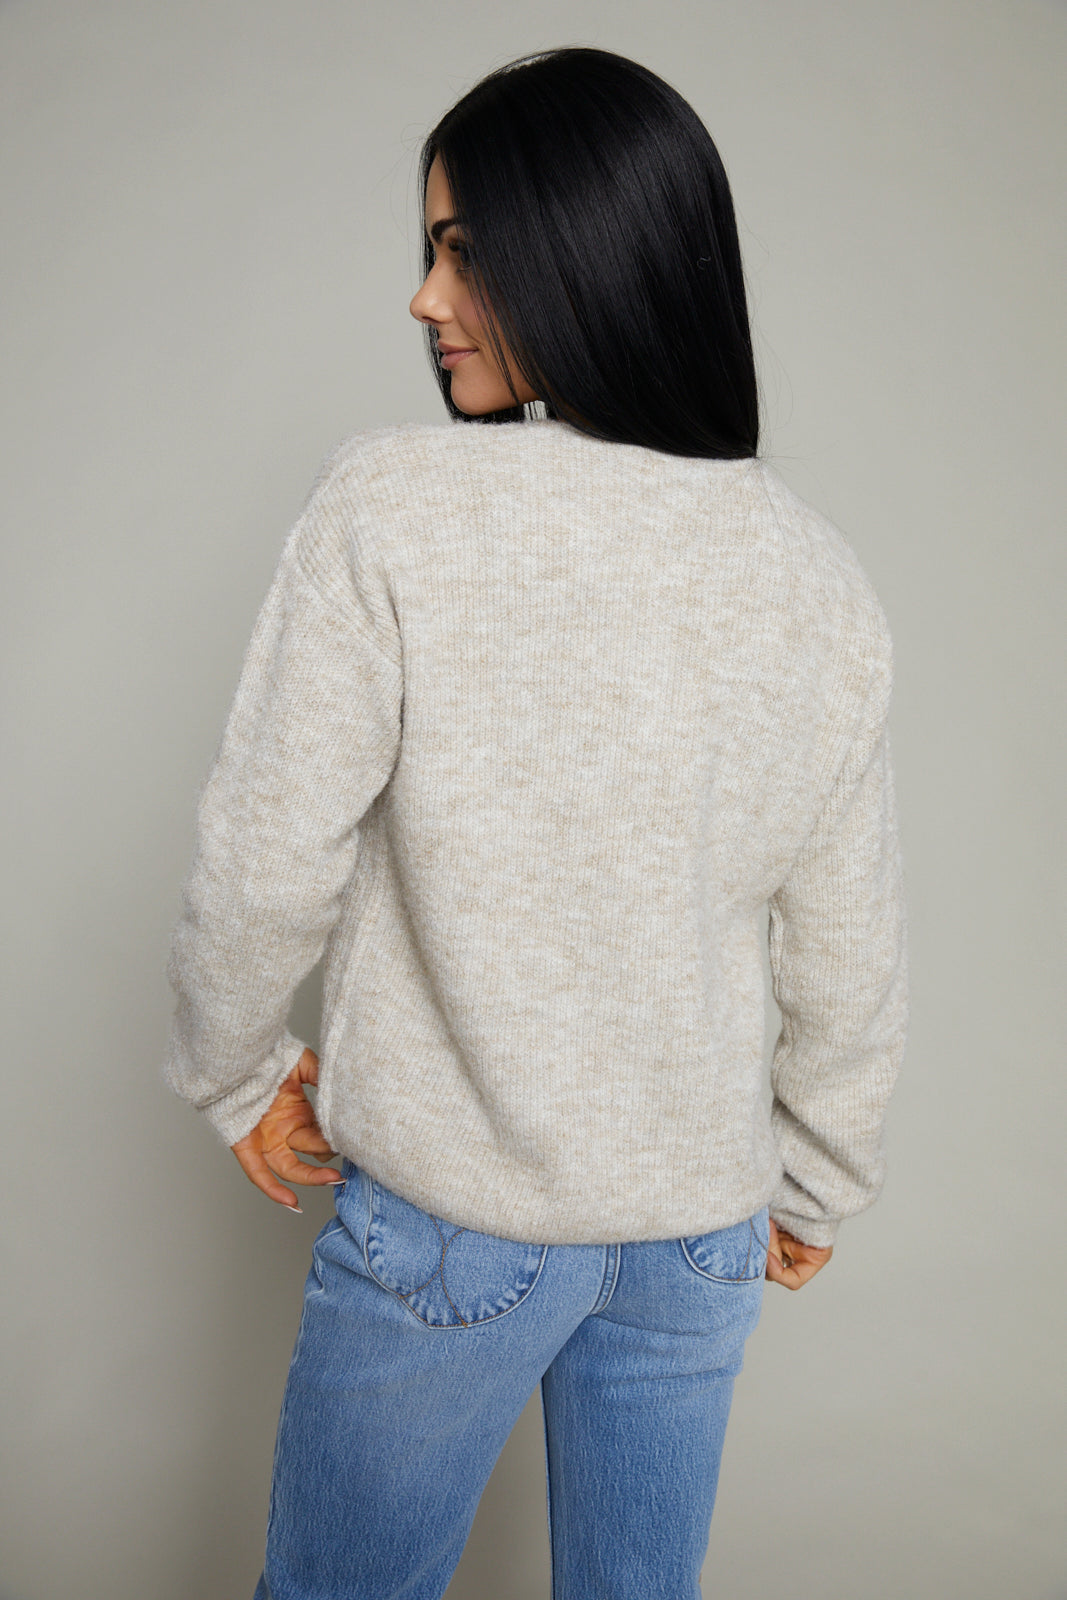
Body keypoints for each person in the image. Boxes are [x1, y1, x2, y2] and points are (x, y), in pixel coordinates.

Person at [162, 45, 908, 1600]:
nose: (423, 299)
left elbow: (264, 855)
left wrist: (234, 1069)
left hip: (457, 1221)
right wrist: (823, 1177)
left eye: (462, 250)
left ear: (579, 254)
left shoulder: (394, 509)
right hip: (700, 1235)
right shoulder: (817, 575)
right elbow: (848, 943)